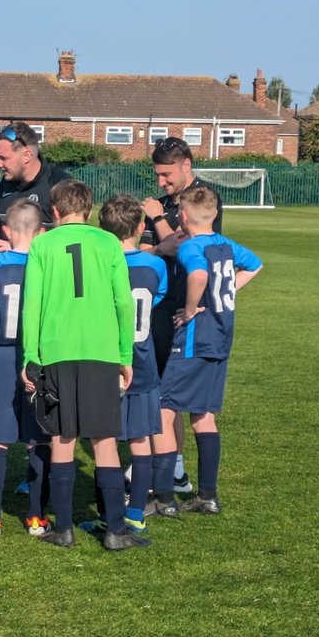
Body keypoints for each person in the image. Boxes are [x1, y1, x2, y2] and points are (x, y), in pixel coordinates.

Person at [20, 179, 146, 552]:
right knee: (104, 441)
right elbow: (124, 303)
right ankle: (116, 531)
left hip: (56, 352)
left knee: (62, 439)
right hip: (102, 352)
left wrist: (31, 356)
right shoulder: (108, 242)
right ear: (89, 212)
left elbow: (33, 304)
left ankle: (63, 529)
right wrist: (125, 355)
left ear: (54, 212)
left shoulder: (42, 244)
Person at [149, 184, 262, 515]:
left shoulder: (190, 247)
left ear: (182, 216)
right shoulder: (225, 245)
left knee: (162, 411)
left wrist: (190, 307)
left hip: (194, 340)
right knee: (203, 416)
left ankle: (166, 498)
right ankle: (208, 495)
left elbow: (198, 274)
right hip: (221, 338)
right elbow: (255, 265)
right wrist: (224, 292)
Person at [140, 136, 223, 493]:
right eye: (158, 175)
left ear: (186, 165)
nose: (161, 182)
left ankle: (175, 472)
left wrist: (159, 221)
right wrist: (163, 241)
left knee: (180, 398)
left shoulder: (205, 200)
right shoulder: (158, 204)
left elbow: (191, 247)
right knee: (160, 388)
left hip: (192, 313)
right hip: (160, 307)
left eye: (166, 173)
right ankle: (174, 470)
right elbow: (146, 252)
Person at [0, 199, 51, 538]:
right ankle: (36, 517)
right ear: (42, 232)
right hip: (39, 357)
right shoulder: (48, 264)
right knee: (38, 438)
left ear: (6, 230)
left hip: (1, 354)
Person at [96, 195, 167, 534]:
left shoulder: (102, 263)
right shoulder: (155, 266)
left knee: (103, 440)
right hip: (143, 361)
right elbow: (159, 298)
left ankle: (105, 509)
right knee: (141, 441)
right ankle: (136, 510)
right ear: (141, 227)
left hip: (107, 361)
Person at [0, 123, 70, 255]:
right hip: (8, 272)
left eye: (3, 158)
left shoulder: (61, 184)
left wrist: (19, 247)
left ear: (26, 156)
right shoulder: (7, 182)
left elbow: (70, 240)